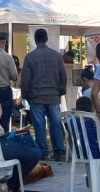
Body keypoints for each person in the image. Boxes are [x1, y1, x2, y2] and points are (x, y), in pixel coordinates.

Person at [20, 28, 67, 161]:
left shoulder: (30, 57)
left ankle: (43, 153)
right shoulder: (57, 56)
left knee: (39, 126)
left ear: (35, 40)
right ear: (47, 39)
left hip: (36, 96)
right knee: (56, 124)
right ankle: (60, 151)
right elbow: (63, 75)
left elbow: (25, 79)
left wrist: (25, 95)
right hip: (53, 95)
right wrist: (61, 91)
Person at [73, 95, 100, 159]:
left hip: (79, 154)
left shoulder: (72, 122)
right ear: (92, 109)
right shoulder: (94, 123)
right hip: (94, 155)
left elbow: (69, 137)